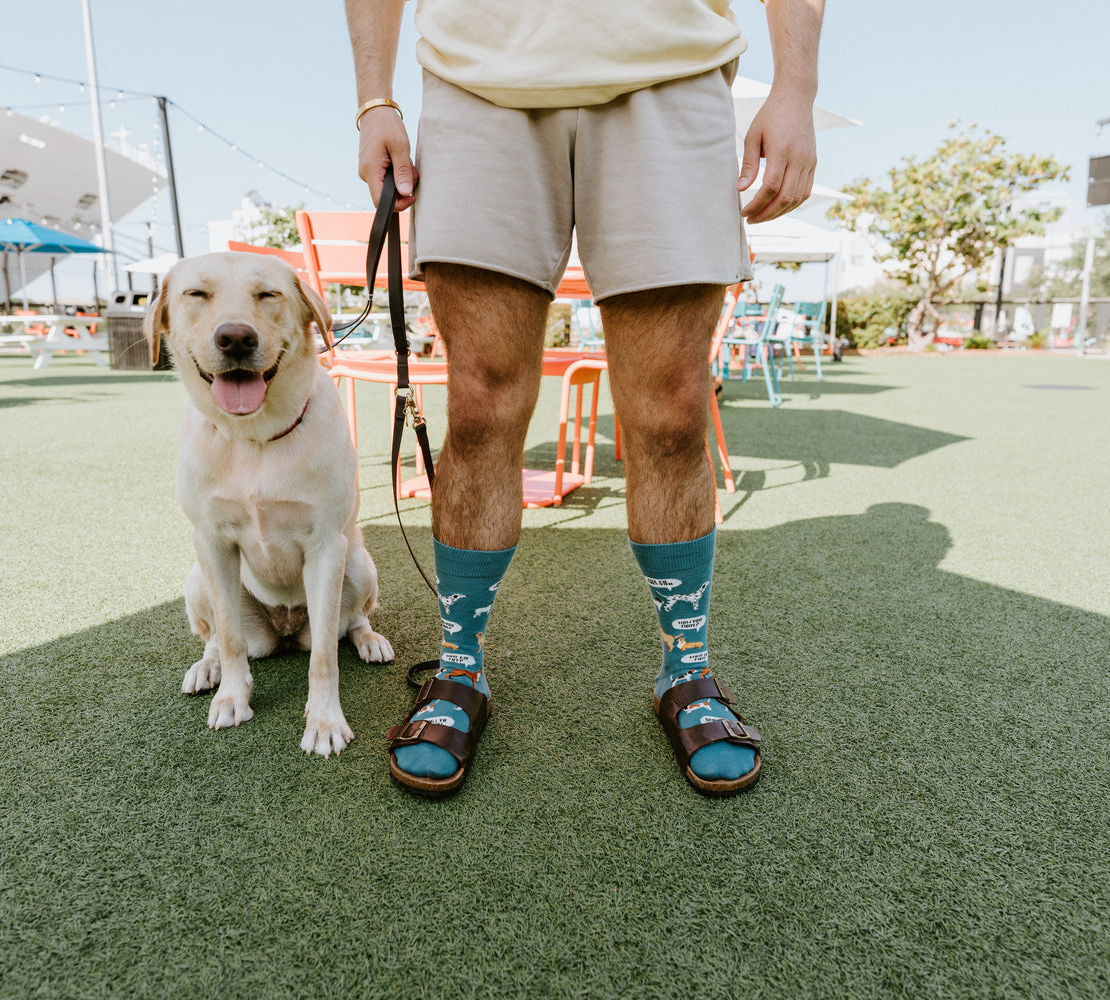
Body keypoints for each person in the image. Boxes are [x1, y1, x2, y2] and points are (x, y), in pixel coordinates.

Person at [346, 0, 823, 797]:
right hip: (477, 81)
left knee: (672, 413)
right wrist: (375, 101)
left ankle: (688, 672)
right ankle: (462, 671)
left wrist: (796, 91)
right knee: (480, 404)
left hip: (669, 77)